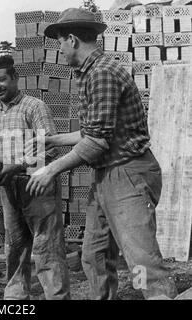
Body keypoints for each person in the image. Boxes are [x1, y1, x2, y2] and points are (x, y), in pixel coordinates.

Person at [26, 8, 178, 300]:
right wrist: (53, 139)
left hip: (127, 175)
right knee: (94, 255)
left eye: (59, 42)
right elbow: (93, 131)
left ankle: (159, 296)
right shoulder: (91, 73)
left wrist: (50, 169)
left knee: (142, 264)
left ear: (71, 40)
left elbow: (96, 143)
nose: (59, 49)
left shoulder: (102, 74)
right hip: (108, 175)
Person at [0, 55, 70, 300]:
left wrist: (18, 165)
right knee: (15, 244)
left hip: (37, 186)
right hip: (8, 188)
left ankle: (57, 296)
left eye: (1, 80)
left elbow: (50, 148)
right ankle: (15, 295)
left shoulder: (34, 107)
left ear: (15, 78)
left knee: (46, 244)